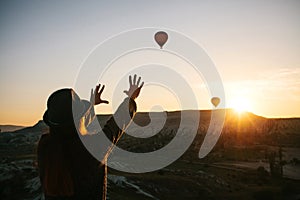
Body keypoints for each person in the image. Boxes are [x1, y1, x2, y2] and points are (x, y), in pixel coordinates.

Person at [37, 75, 144, 200]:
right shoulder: (93, 147)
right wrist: (131, 99)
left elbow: (70, 127)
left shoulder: (45, 148)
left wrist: (91, 106)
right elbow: (117, 123)